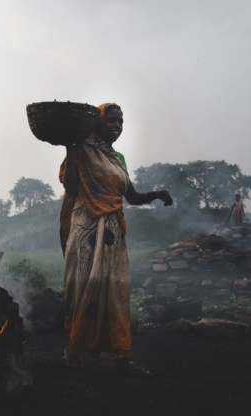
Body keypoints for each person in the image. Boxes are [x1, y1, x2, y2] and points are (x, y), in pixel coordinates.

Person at [59, 103, 172, 378]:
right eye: (111, 120)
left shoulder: (117, 156)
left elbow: (130, 196)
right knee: (85, 284)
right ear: (98, 122)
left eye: (121, 122)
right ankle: (74, 351)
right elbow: (72, 187)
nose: (117, 126)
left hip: (113, 233)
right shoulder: (80, 148)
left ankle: (122, 356)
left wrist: (156, 194)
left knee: (117, 290)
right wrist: (69, 150)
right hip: (86, 229)